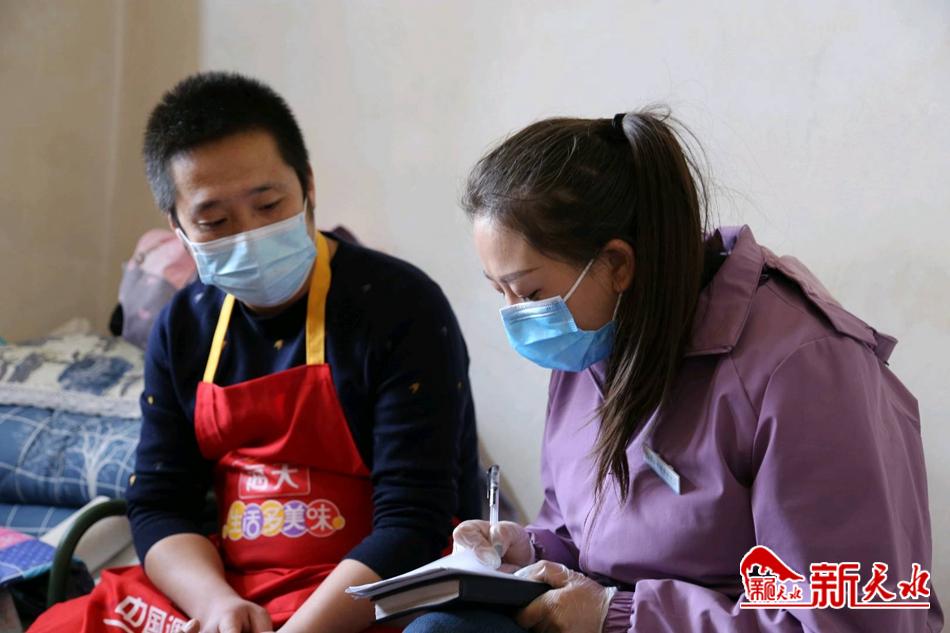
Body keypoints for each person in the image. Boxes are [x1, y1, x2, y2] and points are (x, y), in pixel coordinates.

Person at [406, 111, 943, 632]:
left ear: (618, 265)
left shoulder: (804, 369)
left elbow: (853, 619)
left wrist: (617, 615)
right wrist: (525, 550)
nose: (516, 316)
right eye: (498, 290)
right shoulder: (590, 343)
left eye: (528, 293)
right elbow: (582, 533)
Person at [30, 72, 481, 633]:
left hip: (372, 591)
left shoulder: (398, 304)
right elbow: (160, 504)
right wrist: (216, 606)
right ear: (177, 226)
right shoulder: (184, 324)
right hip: (233, 591)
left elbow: (415, 521)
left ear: (308, 185)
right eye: (214, 221)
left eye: (269, 205)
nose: (248, 235)